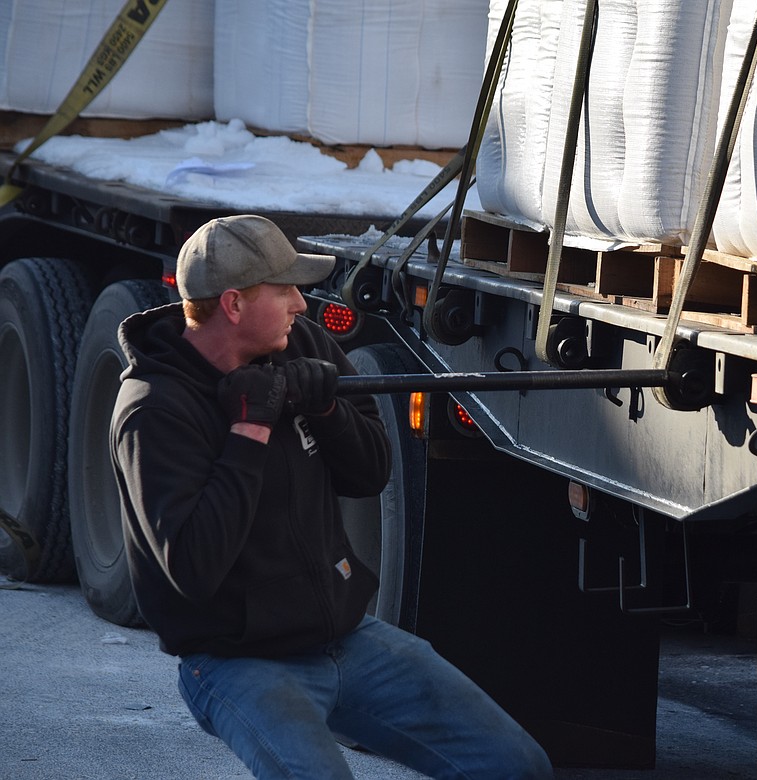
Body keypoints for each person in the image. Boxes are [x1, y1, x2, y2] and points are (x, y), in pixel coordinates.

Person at [110, 214, 553, 780]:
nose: (302, 303)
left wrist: (327, 410)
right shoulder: (154, 410)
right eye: (284, 289)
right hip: (237, 660)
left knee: (516, 766)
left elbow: (370, 475)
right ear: (234, 305)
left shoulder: (303, 345)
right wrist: (249, 431)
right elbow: (193, 567)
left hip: (347, 637)